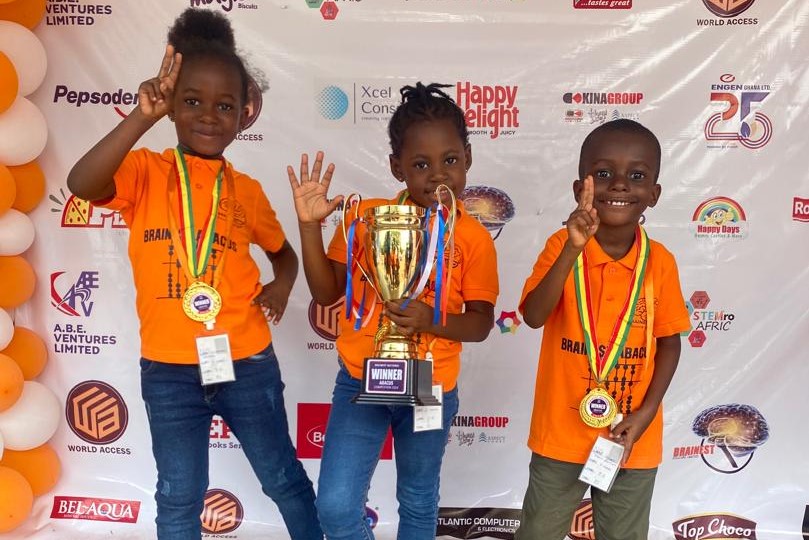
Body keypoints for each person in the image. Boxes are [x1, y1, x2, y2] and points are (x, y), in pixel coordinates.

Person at [66, 8, 322, 540]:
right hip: (169, 373)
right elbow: (82, 184)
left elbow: (284, 255)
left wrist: (281, 284)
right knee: (178, 497)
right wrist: (141, 117)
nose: (209, 116)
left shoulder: (247, 191)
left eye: (224, 105)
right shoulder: (144, 172)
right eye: (192, 101)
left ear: (244, 114)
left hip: (246, 364)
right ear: (172, 106)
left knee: (282, 477)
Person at [287, 82, 499, 540]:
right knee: (337, 506)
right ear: (396, 167)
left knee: (419, 502)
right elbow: (325, 295)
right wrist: (309, 226)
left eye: (450, 160)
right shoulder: (368, 218)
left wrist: (431, 320)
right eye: (420, 164)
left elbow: (480, 323)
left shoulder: (475, 239)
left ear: (468, 157)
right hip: (361, 378)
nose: (437, 175)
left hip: (431, 387)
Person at [514, 119, 691, 540]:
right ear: (581, 189)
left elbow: (669, 343)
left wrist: (645, 415)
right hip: (561, 432)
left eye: (636, 176)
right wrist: (573, 249)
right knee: (538, 531)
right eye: (604, 173)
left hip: (631, 436)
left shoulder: (660, 262)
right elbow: (534, 315)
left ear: (654, 193)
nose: (619, 186)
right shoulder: (562, 245)